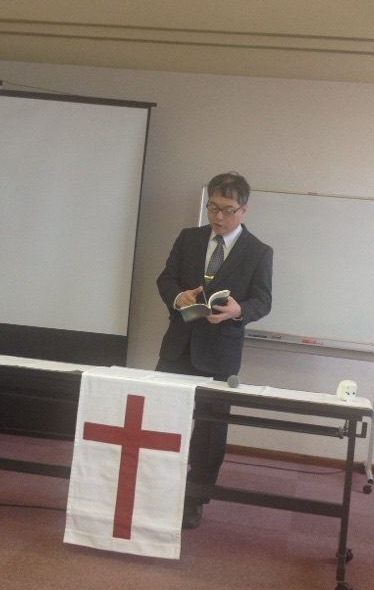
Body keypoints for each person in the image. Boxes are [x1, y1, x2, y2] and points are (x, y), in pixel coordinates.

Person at [156, 171, 273, 529]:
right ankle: (157, 487)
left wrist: (239, 310)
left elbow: (263, 301)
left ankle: (195, 499)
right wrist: (178, 297)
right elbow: (166, 279)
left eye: (227, 209)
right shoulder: (188, 238)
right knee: (162, 419)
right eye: (213, 208)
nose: (218, 217)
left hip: (220, 354)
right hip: (178, 347)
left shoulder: (258, 251)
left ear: (244, 210)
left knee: (209, 432)